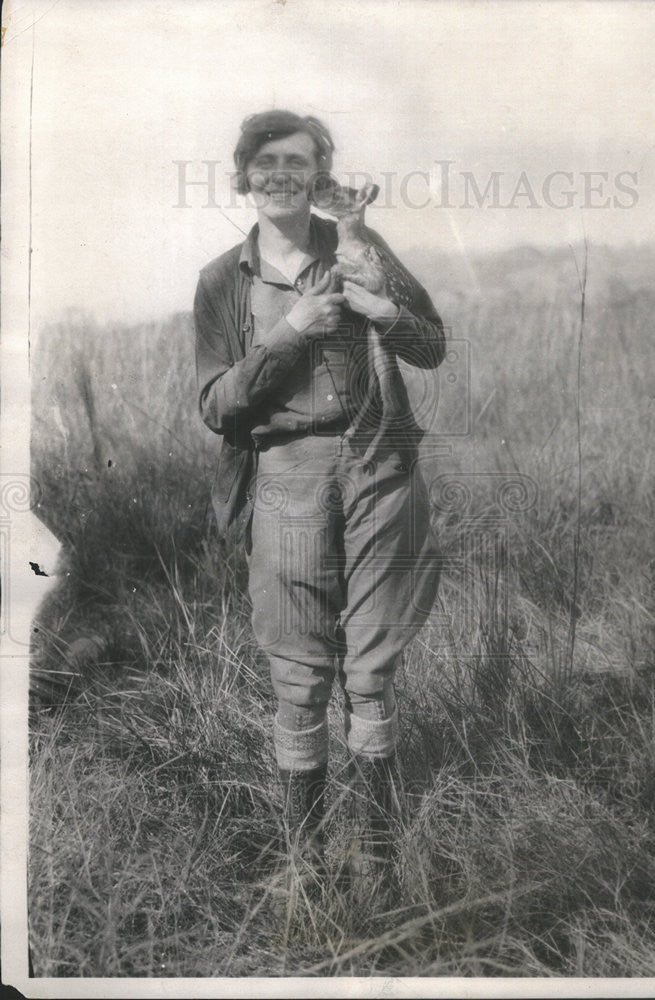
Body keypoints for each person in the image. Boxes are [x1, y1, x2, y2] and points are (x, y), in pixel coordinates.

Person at [193, 110, 445, 893]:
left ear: (317, 174)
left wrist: (382, 308)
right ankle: (306, 866)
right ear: (243, 175)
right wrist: (293, 330)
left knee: (371, 672)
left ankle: (377, 857)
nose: (278, 175)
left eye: (296, 162)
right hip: (287, 477)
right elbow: (216, 407)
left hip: (379, 467)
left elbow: (429, 346)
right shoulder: (221, 282)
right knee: (299, 677)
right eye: (263, 162)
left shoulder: (361, 249)